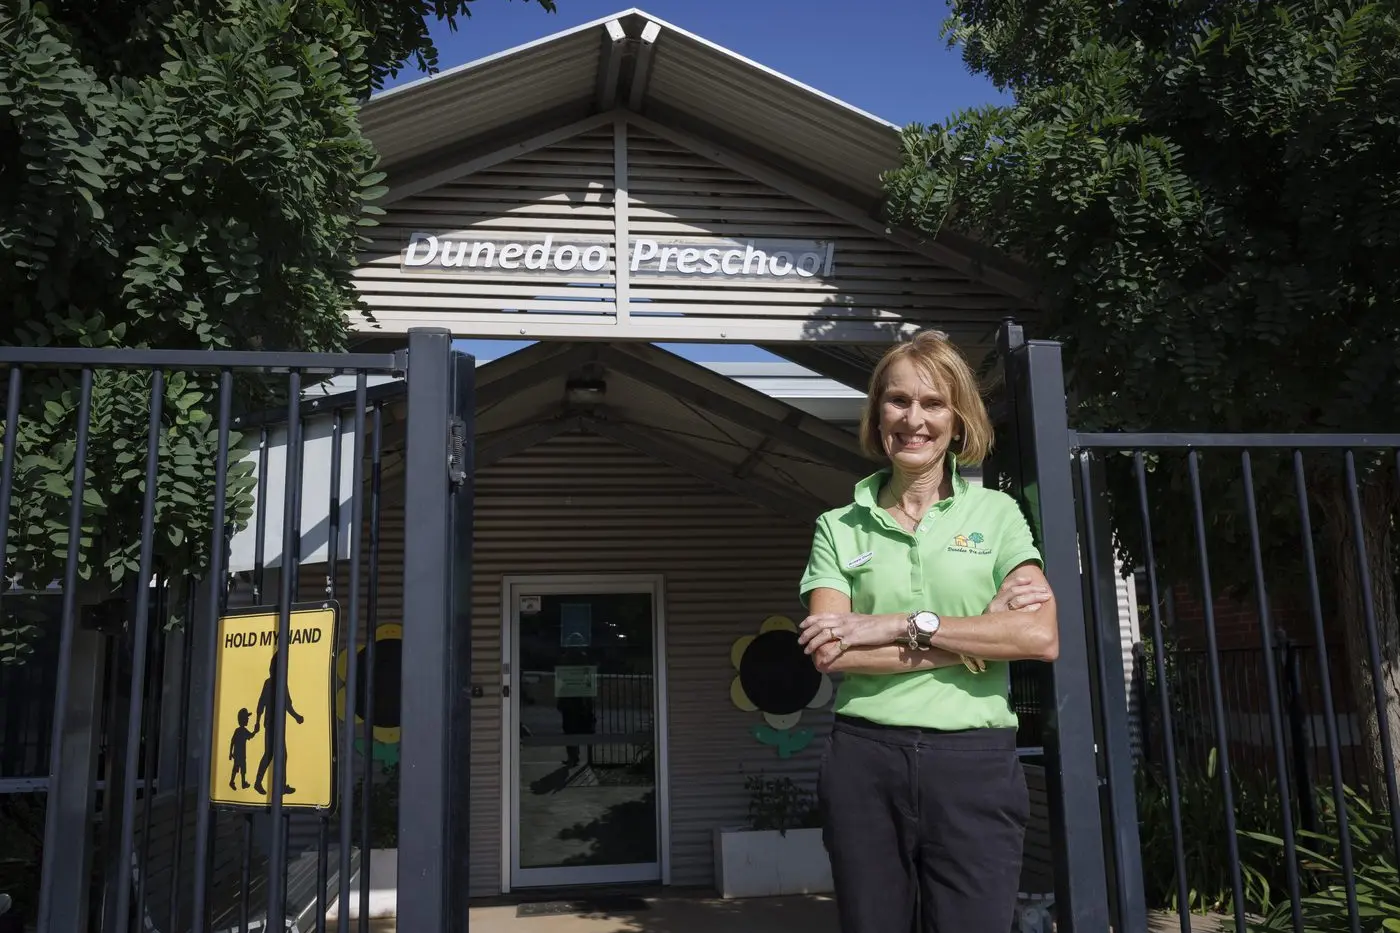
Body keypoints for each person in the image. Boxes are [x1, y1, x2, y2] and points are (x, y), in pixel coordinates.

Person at [796, 330, 1059, 933]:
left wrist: (897, 625)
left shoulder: (997, 514)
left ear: (958, 419)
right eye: (897, 401)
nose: (914, 419)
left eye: (933, 403)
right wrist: (977, 641)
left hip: (974, 764)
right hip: (865, 762)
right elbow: (831, 653)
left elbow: (1039, 637)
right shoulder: (838, 527)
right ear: (877, 415)